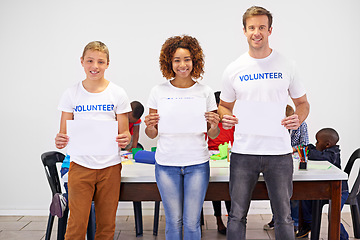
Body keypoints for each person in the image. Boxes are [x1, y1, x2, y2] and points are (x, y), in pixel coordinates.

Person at [218, 6, 310, 240]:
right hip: (243, 152)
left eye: (261, 27)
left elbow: (303, 103)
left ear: (270, 30)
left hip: (279, 153)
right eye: (251, 28)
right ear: (244, 31)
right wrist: (224, 116)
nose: (256, 32)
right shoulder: (233, 68)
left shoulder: (287, 65)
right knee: (237, 215)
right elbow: (224, 106)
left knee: (284, 216)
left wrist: (298, 117)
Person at [144, 35, 220, 240]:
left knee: (192, 222)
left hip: (197, 163)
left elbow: (213, 133)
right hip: (167, 163)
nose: (182, 64)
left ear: (194, 61)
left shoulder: (205, 91)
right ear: (169, 62)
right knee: (173, 221)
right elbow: (152, 133)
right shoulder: (158, 91)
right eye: (177, 60)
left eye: (186, 59)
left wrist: (214, 124)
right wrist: (149, 126)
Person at [54, 41, 131, 240]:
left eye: (100, 61)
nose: (95, 66)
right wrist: (60, 139)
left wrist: (125, 138)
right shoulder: (71, 93)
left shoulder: (118, 93)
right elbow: (63, 134)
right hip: (80, 165)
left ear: (107, 64)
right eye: (90, 61)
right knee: (76, 225)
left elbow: (126, 135)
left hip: (110, 166)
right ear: (82, 62)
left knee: (106, 225)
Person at [296, 128, 349, 239]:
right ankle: (309, 223)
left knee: (333, 216)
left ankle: (343, 237)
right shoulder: (324, 150)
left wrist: (309, 151)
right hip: (324, 189)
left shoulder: (333, 153)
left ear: (327, 144)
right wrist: (308, 147)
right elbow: (314, 151)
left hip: (339, 191)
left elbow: (320, 157)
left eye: (317, 142)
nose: (315, 144)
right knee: (304, 197)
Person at [263, 105, 309, 233]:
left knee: (291, 194)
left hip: (294, 159)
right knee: (275, 193)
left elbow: (304, 144)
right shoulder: (272, 124)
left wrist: (288, 149)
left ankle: (294, 222)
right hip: (276, 160)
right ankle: (276, 218)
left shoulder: (301, 124)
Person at [207, 91, 233, 235]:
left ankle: (231, 219)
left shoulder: (231, 120)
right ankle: (218, 220)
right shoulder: (210, 121)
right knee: (216, 189)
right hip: (212, 156)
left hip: (229, 156)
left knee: (229, 188)